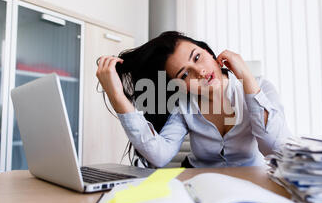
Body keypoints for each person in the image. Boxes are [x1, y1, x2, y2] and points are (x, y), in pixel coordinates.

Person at [96, 31, 292, 168]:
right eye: (184, 75)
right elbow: (159, 155)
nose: (199, 72)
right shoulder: (184, 106)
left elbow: (275, 149)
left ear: (208, 50)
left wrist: (246, 77)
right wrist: (117, 97)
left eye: (197, 57)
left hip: (253, 184)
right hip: (201, 188)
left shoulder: (260, 87)